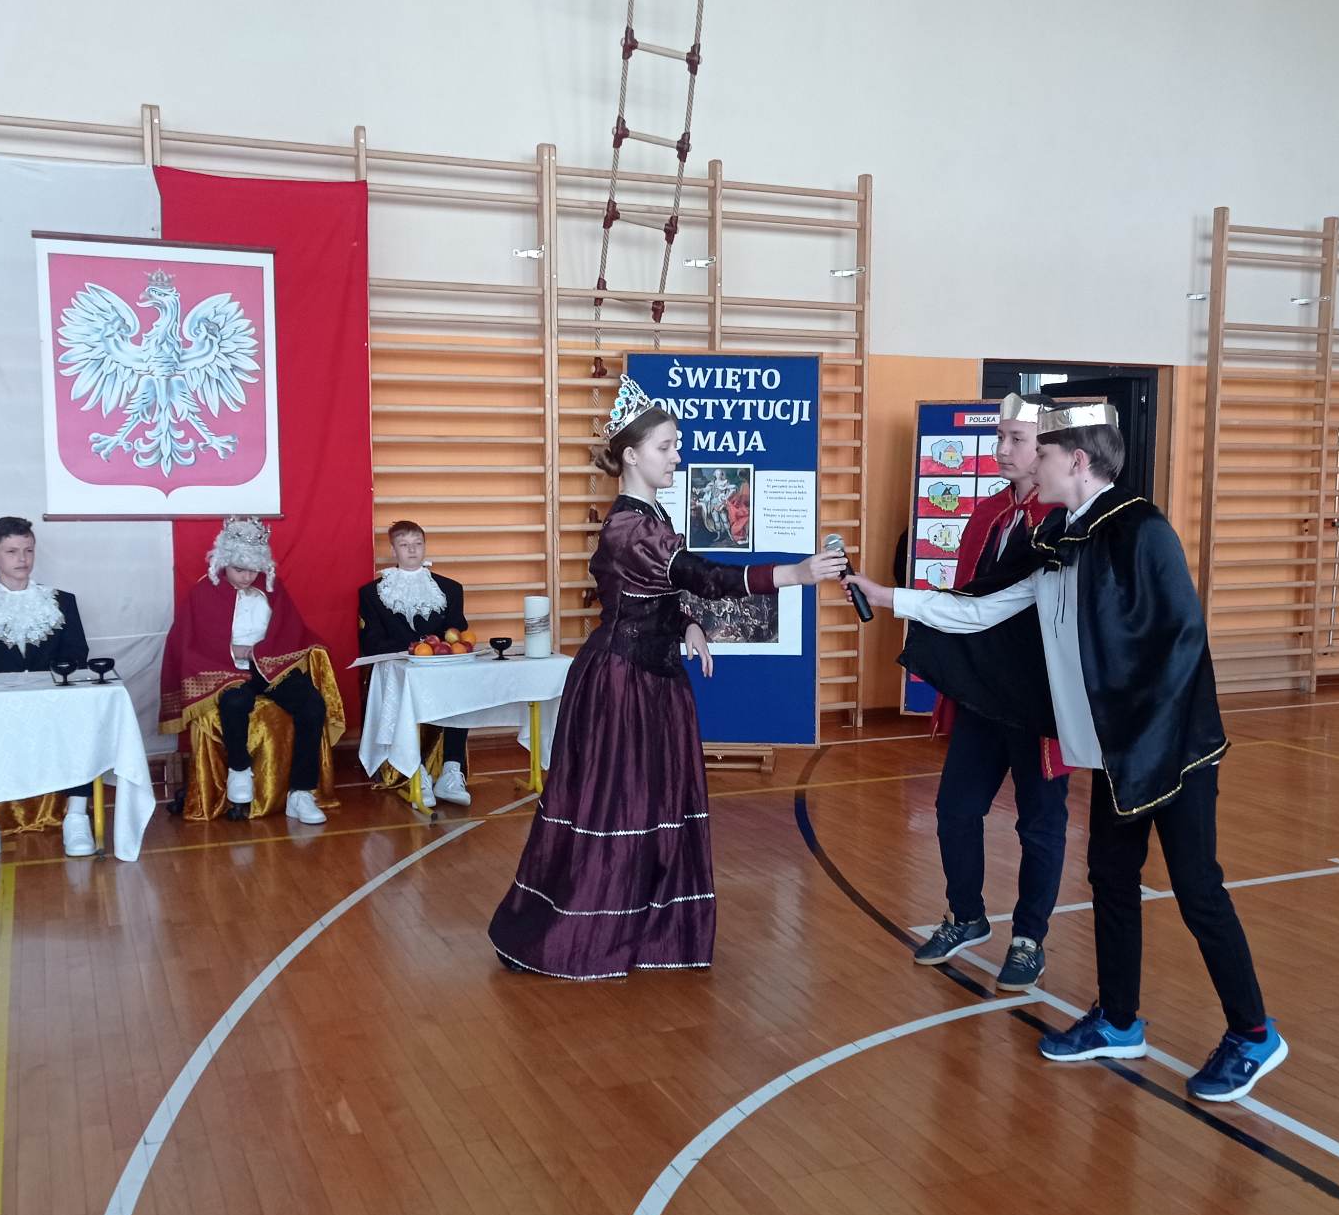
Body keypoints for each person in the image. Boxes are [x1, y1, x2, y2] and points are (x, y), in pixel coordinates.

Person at [845, 402, 1288, 1104]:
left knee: (1197, 889)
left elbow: (1181, 646)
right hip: (1115, 757)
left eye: (1041, 452)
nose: (1028, 462)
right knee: (1110, 879)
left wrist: (1143, 747)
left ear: (1076, 461)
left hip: (1171, 752)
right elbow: (981, 608)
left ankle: (1254, 1033)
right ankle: (1119, 1019)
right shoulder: (1055, 535)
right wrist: (888, 596)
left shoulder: (1143, 529)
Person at [486, 378, 845, 979]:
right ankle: (578, 934)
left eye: (676, 444)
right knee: (616, 805)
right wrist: (795, 573)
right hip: (621, 683)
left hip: (654, 677)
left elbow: (650, 595)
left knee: (654, 804)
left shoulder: (651, 515)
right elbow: (704, 576)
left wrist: (686, 625)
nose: (677, 455)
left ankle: (648, 929)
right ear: (631, 455)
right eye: (666, 446)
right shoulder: (628, 527)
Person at [911, 394, 1070, 992]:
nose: (1002, 449)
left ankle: (1029, 938)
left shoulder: (1063, 521)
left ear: (1046, 448)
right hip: (984, 696)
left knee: (1039, 823)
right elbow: (964, 602)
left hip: (1039, 703)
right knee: (955, 808)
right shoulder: (986, 514)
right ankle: (966, 916)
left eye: (1016, 440)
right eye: (1000, 437)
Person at [0, 515, 95, 867]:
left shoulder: (63, 602)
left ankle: (76, 817)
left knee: (84, 720)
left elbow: (77, 655)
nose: (22, 559)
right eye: (11, 551)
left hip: (51, 706)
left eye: (28, 550)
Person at [160, 516, 332, 825]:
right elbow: (189, 640)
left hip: (270, 665)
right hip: (225, 668)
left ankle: (301, 792)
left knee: (312, 706)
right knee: (235, 702)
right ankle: (239, 770)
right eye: (239, 569)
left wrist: (266, 651)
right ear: (224, 562)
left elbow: (290, 629)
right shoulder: (204, 592)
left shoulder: (271, 587)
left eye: (253, 570)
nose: (247, 577)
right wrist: (231, 651)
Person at [358, 519, 473, 806]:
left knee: (462, 686)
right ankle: (415, 771)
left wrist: (434, 649)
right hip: (397, 666)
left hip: (439, 666)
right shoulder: (372, 593)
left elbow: (457, 631)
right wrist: (413, 648)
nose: (412, 550)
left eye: (417, 544)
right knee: (401, 685)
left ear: (425, 546)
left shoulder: (450, 589)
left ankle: (452, 770)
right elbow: (371, 642)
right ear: (393, 550)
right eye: (404, 544)